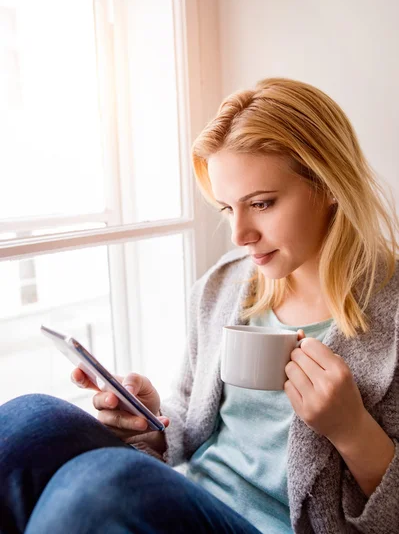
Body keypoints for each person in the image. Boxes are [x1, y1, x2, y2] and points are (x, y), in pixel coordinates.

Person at [1, 78, 398, 534]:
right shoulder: (225, 284)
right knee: (29, 420)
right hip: (190, 499)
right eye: (228, 209)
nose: (239, 235)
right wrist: (153, 426)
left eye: (262, 204)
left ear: (330, 184)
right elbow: (192, 421)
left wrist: (352, 430)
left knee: (106, 489)